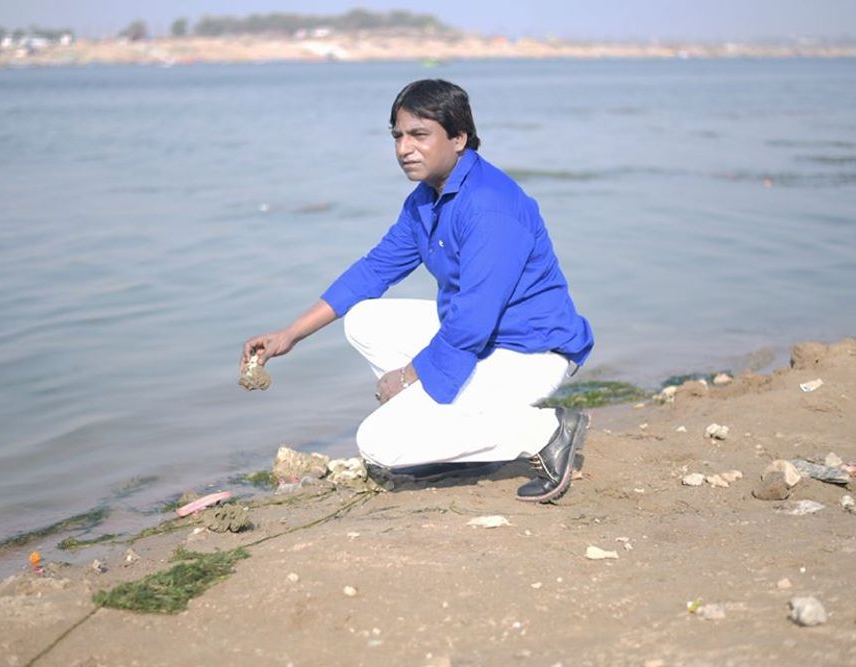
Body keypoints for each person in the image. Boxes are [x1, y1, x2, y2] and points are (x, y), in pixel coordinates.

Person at [241, 79, 594, 503]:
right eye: (398, 136)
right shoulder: (425, 200)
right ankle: (456, 444)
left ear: (458, 138)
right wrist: (290, 334)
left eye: (419, 135)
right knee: (364, 320)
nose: (404, 149)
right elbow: (373, 270)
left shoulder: (489, 206)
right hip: (484, 338)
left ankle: (546, 431)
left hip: (529, 352)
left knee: (378, 445)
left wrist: (408, 377)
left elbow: (472, 323)